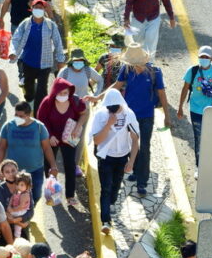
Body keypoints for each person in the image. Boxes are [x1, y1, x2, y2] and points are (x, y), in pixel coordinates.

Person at [109, 43, 171, 197]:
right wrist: (99, 97)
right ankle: (136, 170)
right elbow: (117, 86)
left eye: (136, 64)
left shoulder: (155, 72)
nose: (134, 67)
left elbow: (162, 94)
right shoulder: (127, 69)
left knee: (143, 148)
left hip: (146, 117)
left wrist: (167, 117)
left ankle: (142, 183)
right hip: (129, 116)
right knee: (130, 145)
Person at [89, 89, 139, 235]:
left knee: (115, 187)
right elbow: (97, 140)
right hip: (105, 157)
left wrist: (132, 162)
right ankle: (106, 221)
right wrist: (109, 124)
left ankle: (110, 203)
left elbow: (136, 140)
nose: (112, 109)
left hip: (122, 157)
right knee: (106, 188)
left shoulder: (129, 115)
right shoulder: (100, 115)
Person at [36, 78, 88, 206]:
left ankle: (70, 196)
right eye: (60, 93)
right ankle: (52, 192)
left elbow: (84, 113)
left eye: (66, 93)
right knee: (49, 165)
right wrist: (50, 135)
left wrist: (78, 126)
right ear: (54, 92)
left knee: (70, 165)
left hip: (69, 137)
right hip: (52, 138)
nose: (63, 96)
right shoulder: (47, 102)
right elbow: (41, 119)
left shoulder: (75, 101)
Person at [9, 0, 66, 113]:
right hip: (28, 62)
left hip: (45, 64)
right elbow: (16, 38)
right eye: (36, 8)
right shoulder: (25, 24)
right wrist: (13, 51)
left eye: (41, 8)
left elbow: (58, 43)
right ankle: (29, 99)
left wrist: (60, 59)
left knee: (42, 90)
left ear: (44, 9)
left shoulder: (51, 25)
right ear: (31, 9)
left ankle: (39, 112)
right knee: (28, 87)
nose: (38, 10)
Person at [0, 101, 58, 204]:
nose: (17, 118)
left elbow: (47, 148)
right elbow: (2, 148)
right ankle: (19, 217)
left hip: (35, 170)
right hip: (14, 172)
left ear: (29, 115)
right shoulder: (8, 127)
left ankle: (27, 213)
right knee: (14, 197)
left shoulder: (39, 127)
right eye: (16, 115)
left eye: (21, 116)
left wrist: (53, 166)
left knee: (35, 195)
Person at [177, 45, 212, 169]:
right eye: (201, 56)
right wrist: (180, 107)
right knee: (199, 138)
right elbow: (185, 89)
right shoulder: (192, 71)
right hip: (196, 110)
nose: (203, 59)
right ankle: (199, 166)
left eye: (206, 57)